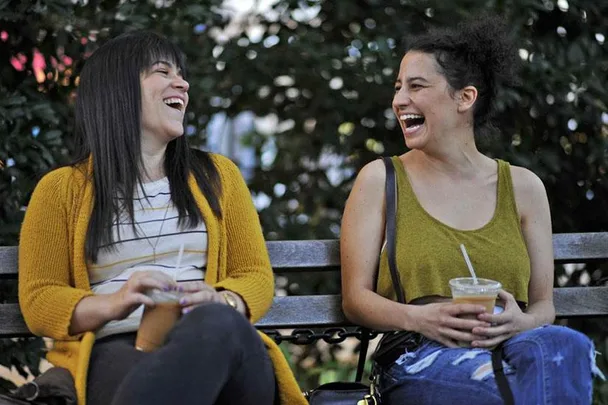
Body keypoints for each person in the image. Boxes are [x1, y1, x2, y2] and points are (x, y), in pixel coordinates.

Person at [18, 31, 307, 405]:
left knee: (217, 324)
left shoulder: (219, 177)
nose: (182, 83)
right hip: (117, 351)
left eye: (182, 74)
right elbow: (40, 299)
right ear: (117, 89)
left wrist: (221, 301)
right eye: (162, 71)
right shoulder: (60, 190)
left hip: (226, 348)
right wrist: (116, 301)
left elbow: (255, 277)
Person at [340, 15, 605, 405]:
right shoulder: (381, 180)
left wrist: (524, 322)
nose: (399, 100)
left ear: (464, 98)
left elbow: (543, 304)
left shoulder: (524, 187)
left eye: (416, 86)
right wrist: (421, 318)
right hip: (418, 355)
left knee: (568, 345)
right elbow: (355, 299)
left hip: (510, 348)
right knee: (510, 392)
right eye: (398, 88)